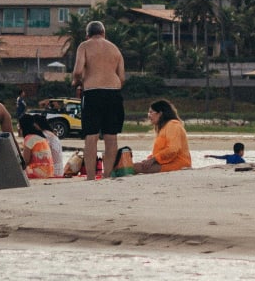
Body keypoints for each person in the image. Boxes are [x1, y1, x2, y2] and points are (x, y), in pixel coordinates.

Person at [72, 20, 127, 177]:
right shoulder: (115, 49)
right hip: (114, 93)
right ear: (104, 33)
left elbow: (77, 71)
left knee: (91, 136)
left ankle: (90, 177)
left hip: (93, 92)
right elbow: (122, 77)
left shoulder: (84, 46)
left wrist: (78, 81)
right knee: (111, 136)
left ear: (87, 35)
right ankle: (107, 175)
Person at [133, 99, 192, 175]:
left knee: (136, 167)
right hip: (166, 162)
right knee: (137, 165)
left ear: (160, 113)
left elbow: (172, 149)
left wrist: (153, 159)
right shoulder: (164, 127)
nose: (148, 115)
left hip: (177, 164)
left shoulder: (173, 125)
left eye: (151, 112)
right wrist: (150, 159)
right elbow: (161, 151)